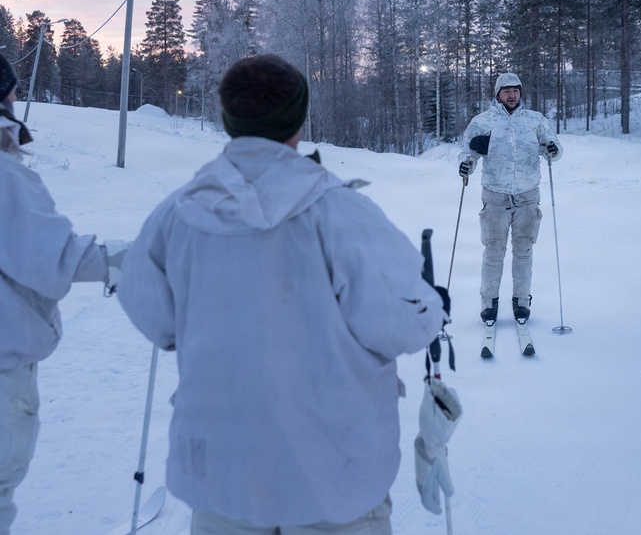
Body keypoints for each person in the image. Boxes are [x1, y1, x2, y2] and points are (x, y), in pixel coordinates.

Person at [117, 54, 450, 535]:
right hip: (334, 480)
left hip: (222, 479)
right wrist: (433, 304)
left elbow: (148, 309)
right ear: (298, 118)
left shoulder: (177, 214)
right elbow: (404, 324)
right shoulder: (341, 212)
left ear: (229, 119)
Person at [0, 54, 127, 534]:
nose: (16, 100)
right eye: (11, 92)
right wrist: (139, 259)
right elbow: (56, 258)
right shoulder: (4, 176)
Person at [459, 72, 562, 323]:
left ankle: (521, 300)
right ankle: (489, 302)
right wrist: (466, 165)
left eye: (515, 90)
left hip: (527, 196)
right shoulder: (483, 122)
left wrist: (552, 149)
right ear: (497, 94)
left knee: (524, 250)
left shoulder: (535, 120)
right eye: (506, 91)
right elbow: (467, 151)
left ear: (520, 93)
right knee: (494, 251)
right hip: (495, 197)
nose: (512, 94)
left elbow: (555, 150)